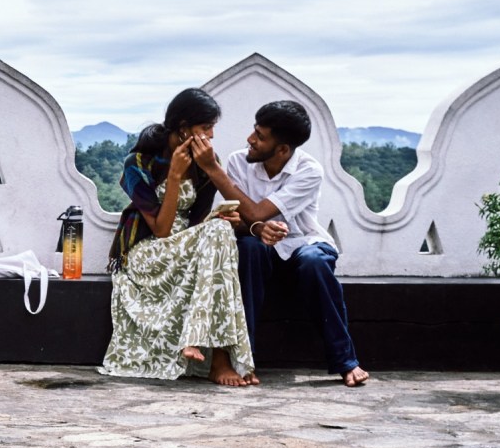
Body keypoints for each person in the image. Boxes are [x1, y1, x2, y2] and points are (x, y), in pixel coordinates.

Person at [198, 101, 370, 387]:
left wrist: (213, 171)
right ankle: (244, 360)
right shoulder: (239, 162)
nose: (251, 140)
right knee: (249, 249)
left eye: (260, 137)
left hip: (303, 242)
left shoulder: (308, 171)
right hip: (258, 245)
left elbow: (254, 211)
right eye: (254, 131)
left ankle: (346, 361)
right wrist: (257, 228)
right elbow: (238, 219)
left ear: (282, 149)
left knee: (315, 263)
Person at [99, 88, 256, 387]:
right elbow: (159, 228)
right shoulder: (139, 162)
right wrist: (173, 175)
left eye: (212, 129)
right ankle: (219, 358)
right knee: (217, 233)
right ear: (183, 129)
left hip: (184, 244)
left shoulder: (206, 162)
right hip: (147, 251)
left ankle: (205, 347)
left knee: (220, 229)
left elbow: (197, 221)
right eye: (205, 128)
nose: (210, 136)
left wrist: (219, 217)